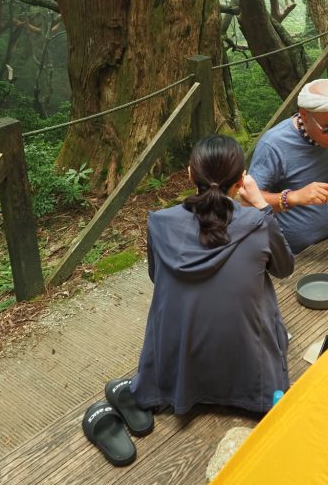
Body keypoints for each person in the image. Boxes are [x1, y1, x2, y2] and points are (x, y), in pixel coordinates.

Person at [111, 135, 295, 419]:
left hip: (180, 365)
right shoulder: (258, 223)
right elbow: (284, 269)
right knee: (262, 283)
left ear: (189, 173)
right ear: (241, 180)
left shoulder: (159, 223)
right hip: (251, 375)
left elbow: (156, 277)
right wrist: (262, 205)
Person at [248, 76, 328, 254]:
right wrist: (293, 197)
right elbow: (248, 201)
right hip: (289, 255)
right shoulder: (274, 145)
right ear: (304, 115)